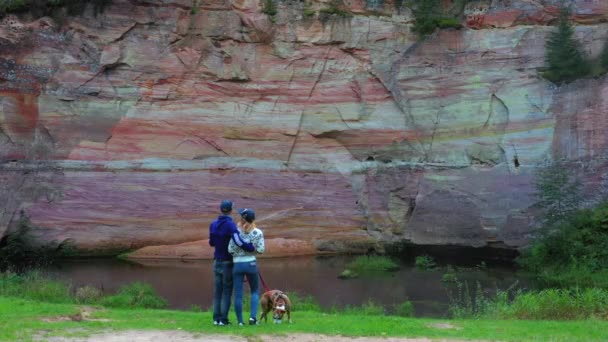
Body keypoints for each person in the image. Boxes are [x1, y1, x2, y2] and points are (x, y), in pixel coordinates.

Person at [209, 200, 255, 326]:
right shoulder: (230, 225)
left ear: (221, 209)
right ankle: (223, 320)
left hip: (216, 261)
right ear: (230, 210)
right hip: (227, 262)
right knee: (227, 291)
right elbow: (237, 241)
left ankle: (216, 319)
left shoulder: (213, 224)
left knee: (218, 291)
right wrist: (250, 248)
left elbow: (211, 243)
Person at [228, 208, 265, 326]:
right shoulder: (258, 232)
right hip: (251, 264)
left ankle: (240, 322)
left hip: (237, 265)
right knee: (254, 291)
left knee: (238, 294)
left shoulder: (236, 232)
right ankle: (252, 319)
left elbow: (230, 249)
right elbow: (261, 250)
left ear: (242, 219)